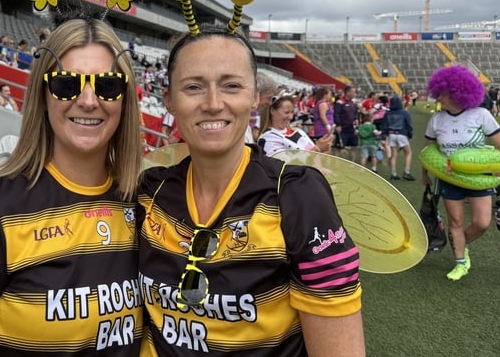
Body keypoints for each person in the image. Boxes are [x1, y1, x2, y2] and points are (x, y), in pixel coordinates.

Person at [0, 15, 144, 355]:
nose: (87, 99)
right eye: (66, 84)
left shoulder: (145, 202)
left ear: (125, 99)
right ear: (42, 94)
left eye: (107, 85)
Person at [138, 26, 363, 354]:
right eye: (193, 87)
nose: (213, 103)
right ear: (170, 101)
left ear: (255, 97)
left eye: (231, 85)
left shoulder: (298, 195)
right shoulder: (149, 192)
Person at [422, 65, 500, 281]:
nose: (440, 98)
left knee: (482, 223)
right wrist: (424, 174)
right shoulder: (436, 119)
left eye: (444, 94)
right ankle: (460, 261)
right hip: (449, 177)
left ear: (458, 92)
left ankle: (460, 242)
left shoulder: (481, 115)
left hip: (479, 177)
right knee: (455, 222)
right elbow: (428, 149)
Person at [257, 92, 332, 155]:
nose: (290, 117)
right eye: (286, 112)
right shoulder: (268, 138)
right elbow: (284, 166)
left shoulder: (298, 131)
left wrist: (323, 147)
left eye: (292, 112)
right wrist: (317, 148)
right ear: (272, 111)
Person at [382, 95, 415, 181]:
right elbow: (409, 124)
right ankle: (406, 172)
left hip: (391, 135)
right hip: (402, 134)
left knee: (393, 155)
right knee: (408, 153)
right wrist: (410, 134)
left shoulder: (388, 113)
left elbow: (384, 125)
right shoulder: (404, 113)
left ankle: (393, 173)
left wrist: (384, 135)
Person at [334, 85, 359, 159]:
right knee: (339, 147)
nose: (355, 94)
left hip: (352, 128)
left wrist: (356, 118)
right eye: (354, 92)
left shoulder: (353, 102)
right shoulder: (340, 102)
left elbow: (355, 112)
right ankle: (338, 164)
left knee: (354, 146)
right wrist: (338, 125)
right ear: (348, 93)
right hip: (343, 129)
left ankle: (352, 163)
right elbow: (336, 114)